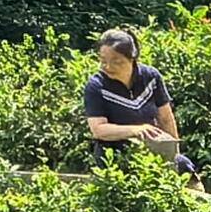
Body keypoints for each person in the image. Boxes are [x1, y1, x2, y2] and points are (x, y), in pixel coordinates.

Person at [78, 28, 185, 162]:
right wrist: (136, 130)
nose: (108, 67)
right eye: (103, 61)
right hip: (113, 158)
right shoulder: (96, 86)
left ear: (132, 59)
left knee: (184, 167)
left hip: (151, 152)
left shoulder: (151, 77)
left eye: (116, 62)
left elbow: (166, 118)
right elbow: (99, 129)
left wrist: (173, 152)